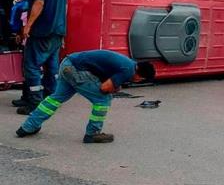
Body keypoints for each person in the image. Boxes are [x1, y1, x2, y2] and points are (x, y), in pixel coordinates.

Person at [16, 50, 151, 143]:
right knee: (103, 99)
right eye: (139, 80)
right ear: (140, 77)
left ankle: (28, 127)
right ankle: (92, 134)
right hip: (76, 70)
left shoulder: (127, 63)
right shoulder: (129, 70)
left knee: (55, 98)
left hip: (67, 64)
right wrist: (113, 88)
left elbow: (107, 78)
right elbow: (105, 88)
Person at [17, 0, 67, 115]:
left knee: (31, 66)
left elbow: (38, 2)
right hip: (57, 32)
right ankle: (51, 100)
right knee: (51, 68)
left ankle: (35, 103)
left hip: (42, 32)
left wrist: (28, 26)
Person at [9, 0, 34, 108]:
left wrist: (20, 32)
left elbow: (27, 18)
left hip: (31, 38)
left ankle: (31, 99)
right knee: (27, 68)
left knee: (30, 68)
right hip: (27, 38)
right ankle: (26, 96)